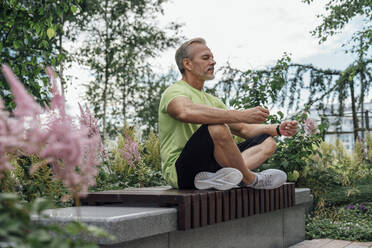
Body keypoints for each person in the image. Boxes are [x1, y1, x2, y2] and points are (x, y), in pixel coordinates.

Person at [158, 37, 298, 190]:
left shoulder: (212, 100)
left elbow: (244, 129)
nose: (213, 62)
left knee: (267, 142)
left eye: (212, 57)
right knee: (217, 127)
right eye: (206, 58)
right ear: (187, 64)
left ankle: (225, 177)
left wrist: (278, 129)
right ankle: (250, 179)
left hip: (210, 172)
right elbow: (184, 112)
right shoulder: (175, 91)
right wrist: (241, 114)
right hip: (182, 172)